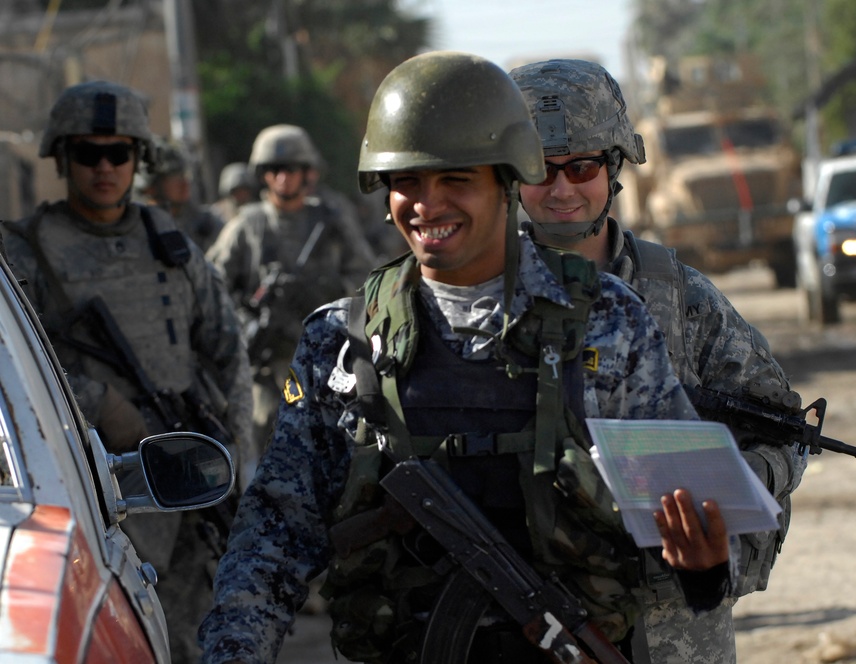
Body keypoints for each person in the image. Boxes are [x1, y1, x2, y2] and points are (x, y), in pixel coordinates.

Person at [199, 51, 734, 664]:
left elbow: (687, 509)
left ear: (507, 183)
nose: (427, 204)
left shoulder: (607, 319)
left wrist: (704, 565)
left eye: (456, 179)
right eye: (408, 182)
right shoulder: (341, 342)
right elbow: (274, 536)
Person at [510, 58, 808, 663]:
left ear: (615, 168)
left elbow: (785, 432)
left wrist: (734, 488)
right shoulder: (476, 301)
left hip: (670, 626)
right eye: (540, 169)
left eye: (582, 166)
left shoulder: (679, 297)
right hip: (522, 614)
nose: (562, 189)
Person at [0, 80, 253, 664]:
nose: (105, 168)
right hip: (91, 486)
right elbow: (15, 369)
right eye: (89, 153)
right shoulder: (24, 253)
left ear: (139, 159)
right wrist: (100, 404)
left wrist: (234, 452)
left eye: (120, 153)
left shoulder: (168, 242)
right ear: (63, 158)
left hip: (185, 476)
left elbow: (225, 348)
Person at [206, 124, 375, 476]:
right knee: (267, 448)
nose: (282, 178)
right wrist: (244, 319)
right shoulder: (248, 224)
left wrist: (329, 289)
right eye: (273, 170)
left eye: (291, 170)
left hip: (328, 362)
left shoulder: (331, 217)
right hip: (268, 365)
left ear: (307, 173)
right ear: (263, 176)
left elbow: (366, 276)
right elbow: (211, 285)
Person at [136, 136, 226, 251]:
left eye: (184, 174)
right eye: (174, 176)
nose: (184, 182)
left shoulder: (207, 223)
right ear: (152, 186)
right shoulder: (137, 229)